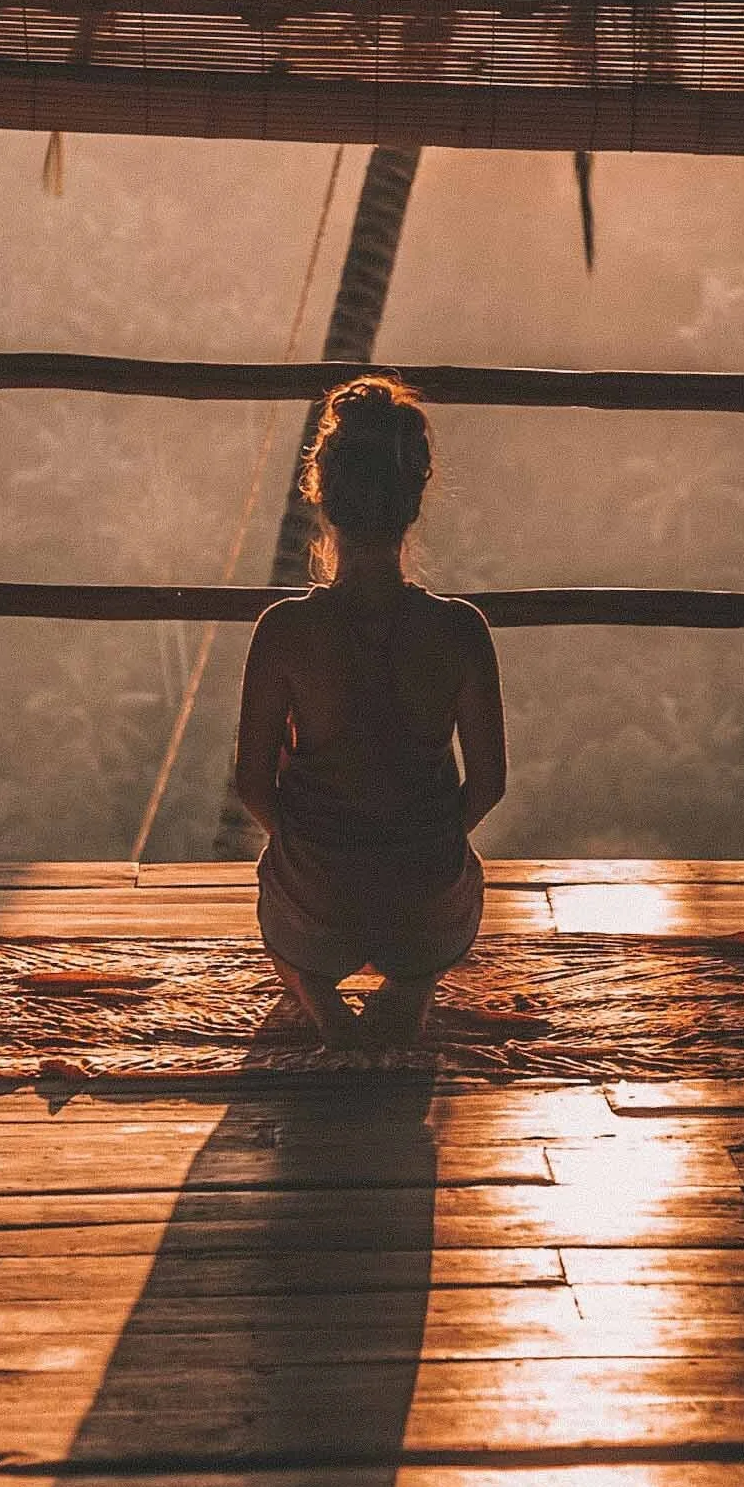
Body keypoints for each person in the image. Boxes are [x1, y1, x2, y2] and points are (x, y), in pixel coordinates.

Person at [232, 375, 507, 1051]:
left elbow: (251, 784)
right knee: (435, 897)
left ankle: (324, 1007)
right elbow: (489, 783)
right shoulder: (460, 631)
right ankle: (412, 984)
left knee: (284, 905)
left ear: (320, 495)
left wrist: (310, 846)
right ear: (413, 499)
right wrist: (423, 840)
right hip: (425, 902)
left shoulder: (284, 632)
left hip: (318, 900)